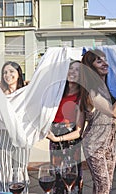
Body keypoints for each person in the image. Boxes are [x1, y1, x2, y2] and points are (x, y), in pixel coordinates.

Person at [79, 49, 116, 194]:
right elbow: (113, 113)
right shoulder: (92, 91)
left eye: (105, 59)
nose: (105, 63)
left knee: (104, 185)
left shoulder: (109, 88)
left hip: (109, 140)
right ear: (91, 67)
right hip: (94, 143)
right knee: (103, 186)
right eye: (99, 61)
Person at [46, 60, 85, 194]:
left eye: (77, 70)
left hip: (70, 143)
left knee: (71, 179)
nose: (72, 72)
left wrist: (58, 139)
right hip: (54, 141)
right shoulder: (57, 93)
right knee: (56, 178)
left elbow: (79, 131)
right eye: (71, 68)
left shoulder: (81, 97)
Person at [0, 61, 30, 193]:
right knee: (4, 170)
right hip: (4, 135)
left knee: (20, 169)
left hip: (22, 135)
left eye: (11, 71)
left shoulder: (26, 92)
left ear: (18, 74)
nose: (7, 75)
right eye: (5, 72)